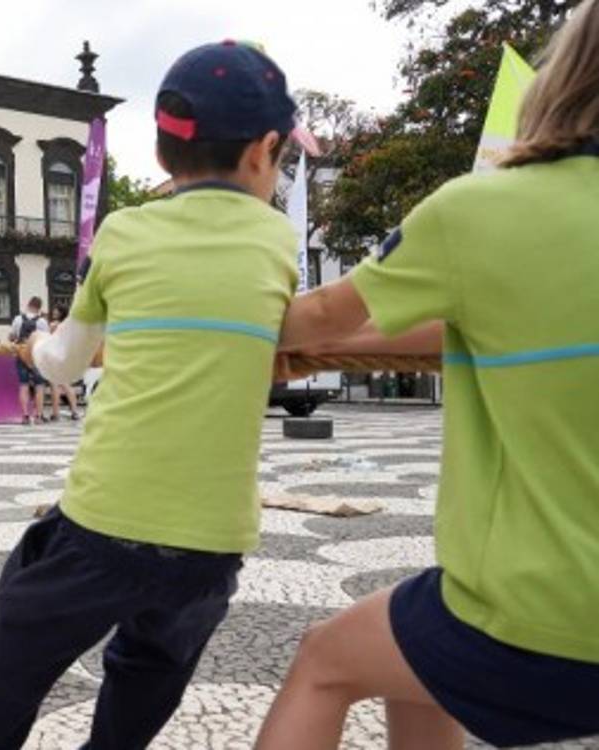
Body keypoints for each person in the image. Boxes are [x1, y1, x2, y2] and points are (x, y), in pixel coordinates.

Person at [0, 40, 300, 748]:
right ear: (265, 150)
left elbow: (65, 365)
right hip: (210, 547)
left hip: (105, 525)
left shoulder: (125, 230)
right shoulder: (277, 241)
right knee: (143, 683)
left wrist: (31, 349)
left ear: (162, 153)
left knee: (15, 651)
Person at [257, 5, 599, 747]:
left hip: (547, 612)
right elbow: (492, 324)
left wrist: (226, 327)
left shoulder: (481, 210)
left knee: (323, 661)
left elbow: (318, 316)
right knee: (413, 667)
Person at [10, 297, 49, 425]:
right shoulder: (42, 322)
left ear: (28, 304)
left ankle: (25, 415)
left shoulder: (18, 319)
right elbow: (46, 339)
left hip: (22, 353)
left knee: (23, 385)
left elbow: (13, 336)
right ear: (39, 308)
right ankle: (38, 416)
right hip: (37, 355)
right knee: (39, 386)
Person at [48, 304, 81, 421]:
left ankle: (55, 413)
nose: (53, 312)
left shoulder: (54, 325)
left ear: (60, 313)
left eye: (56, 311)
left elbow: (50, 339)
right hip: (65, 355)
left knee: (55, 385)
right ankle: (74, 411)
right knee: (66, 384)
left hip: (55, 355)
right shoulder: (69, 325)